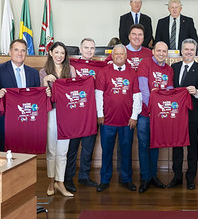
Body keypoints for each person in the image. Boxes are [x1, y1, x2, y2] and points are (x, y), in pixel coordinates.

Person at [95, 45, 141, 192]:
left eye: (122, 54)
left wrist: (134, 116)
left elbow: (137, 96)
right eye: (117, 54)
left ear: (126, 56)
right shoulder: (104, 72)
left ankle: (126, 179)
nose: (119, 56)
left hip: (127, 121)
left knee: (126, 151)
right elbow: (98, 94)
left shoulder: (132, 73)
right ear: (112, 55)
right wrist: (99, 114)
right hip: (107, 121)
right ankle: (104, 179)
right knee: (106, 151)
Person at [64, 38, 107, 191]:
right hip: (76, 113)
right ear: (80, 50)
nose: (89, 50)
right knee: (72, 148)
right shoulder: (71, 64)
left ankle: (84, 176)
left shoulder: (100, 67)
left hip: (91, 113)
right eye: (86, 48)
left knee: (88, 147)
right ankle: (67, 177)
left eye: (92, 48)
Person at [169, 38, 198, 190]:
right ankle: (177, 176)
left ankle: (191, 177)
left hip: (193, 114)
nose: (189, 52)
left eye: (192, 49)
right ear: (181, 51)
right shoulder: (174, 67)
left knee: (192, 145)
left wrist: (196, 91)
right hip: (176, 113)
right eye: (186, 49)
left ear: (196, 51)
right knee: (176, 145)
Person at [136, 41, 172, 193]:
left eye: (164, 51)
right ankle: (145, 177)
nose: (161, 53)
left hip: (160, 114)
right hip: (145, 113)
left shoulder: (169, 69)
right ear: (153, 51)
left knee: (155, 144)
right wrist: (152, 107)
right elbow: (143, 88)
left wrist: (159, 109)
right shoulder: (145, 64)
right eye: (159, 50)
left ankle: (153, 176)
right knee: (144, 145)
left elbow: (169, 90)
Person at [41, 41, 76, 197]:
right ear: (51, 53)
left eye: (62, 53)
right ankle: (51, 181)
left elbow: (75, 91)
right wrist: (45, 82)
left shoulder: (71, 70)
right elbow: (42, 96)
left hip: (67, 115)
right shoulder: (43, 72)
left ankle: (60, 182)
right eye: (57, 52)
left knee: (63, 151)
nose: (60, 55)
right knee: (51, 150)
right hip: (51, 113)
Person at [0, 39, 41, 151]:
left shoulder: (33, 73)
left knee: (25, 155)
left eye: (23, 50)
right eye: (16, 50)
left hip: (26, 121)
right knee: (5, 156)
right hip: (5, 121)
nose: (20, 53)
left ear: (26, 53)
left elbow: (36, 99)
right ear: (10, 52)